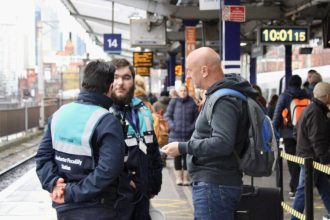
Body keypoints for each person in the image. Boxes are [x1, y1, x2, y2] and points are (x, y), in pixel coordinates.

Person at [162, 47, 257, 220]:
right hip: (215, 184)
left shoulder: (223, 101)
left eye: (190, 71)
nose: (188, 76)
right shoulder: (220, 96)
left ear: (204, 70)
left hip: (215, 185)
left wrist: (183, 147)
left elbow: (222, 143)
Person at [35, 60, 133, 220]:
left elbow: (42, 157)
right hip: (99, 209)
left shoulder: (59, 114)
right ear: (110, 87)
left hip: (64, 208)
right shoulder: (107, 121)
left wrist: (53, 183)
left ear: (84, 83)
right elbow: (108, 170)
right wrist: (72, 193)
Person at [109, 58, 163, 220]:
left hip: (142, 192)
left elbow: (152, 148)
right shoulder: (103, 112)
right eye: (115, 77)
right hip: (115, 196)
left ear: (133, 81)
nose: (120, 83)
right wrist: (125, 181)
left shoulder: (142, 110)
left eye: (126, 78)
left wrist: (155, 183)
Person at [291, 82, 330, 220]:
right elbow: (318, 140)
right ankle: (294, 218)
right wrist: (326, 161)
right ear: (326, 96)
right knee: (303, 191)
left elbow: (295, 132)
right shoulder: (317, 113)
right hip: (311, 159)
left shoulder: (309, 109)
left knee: (325, 189)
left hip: (307, 156)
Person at [273, 75, 309, 199]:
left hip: (288, 133)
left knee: (292, 161)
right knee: (305, 160)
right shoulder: (307, 95)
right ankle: (304, 186)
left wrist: (273, 131)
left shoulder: (285, 96)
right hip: (304, 134)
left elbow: (278, 115)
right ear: (300, 83)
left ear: (289, 84)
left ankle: (294, 188)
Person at [164, 84, 199, 186]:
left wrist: (192, 127)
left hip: (189, 134)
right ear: (178, 92)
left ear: (187, 91)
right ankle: (179, 178)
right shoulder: (174, 102)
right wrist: (172, 125)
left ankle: (186, 178)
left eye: (184, 90)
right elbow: (167, 115)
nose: (183, 92)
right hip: (176, 134)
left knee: (187, 157)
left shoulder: (192, 102)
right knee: (178, 157)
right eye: (181, 91)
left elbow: (197, 118)